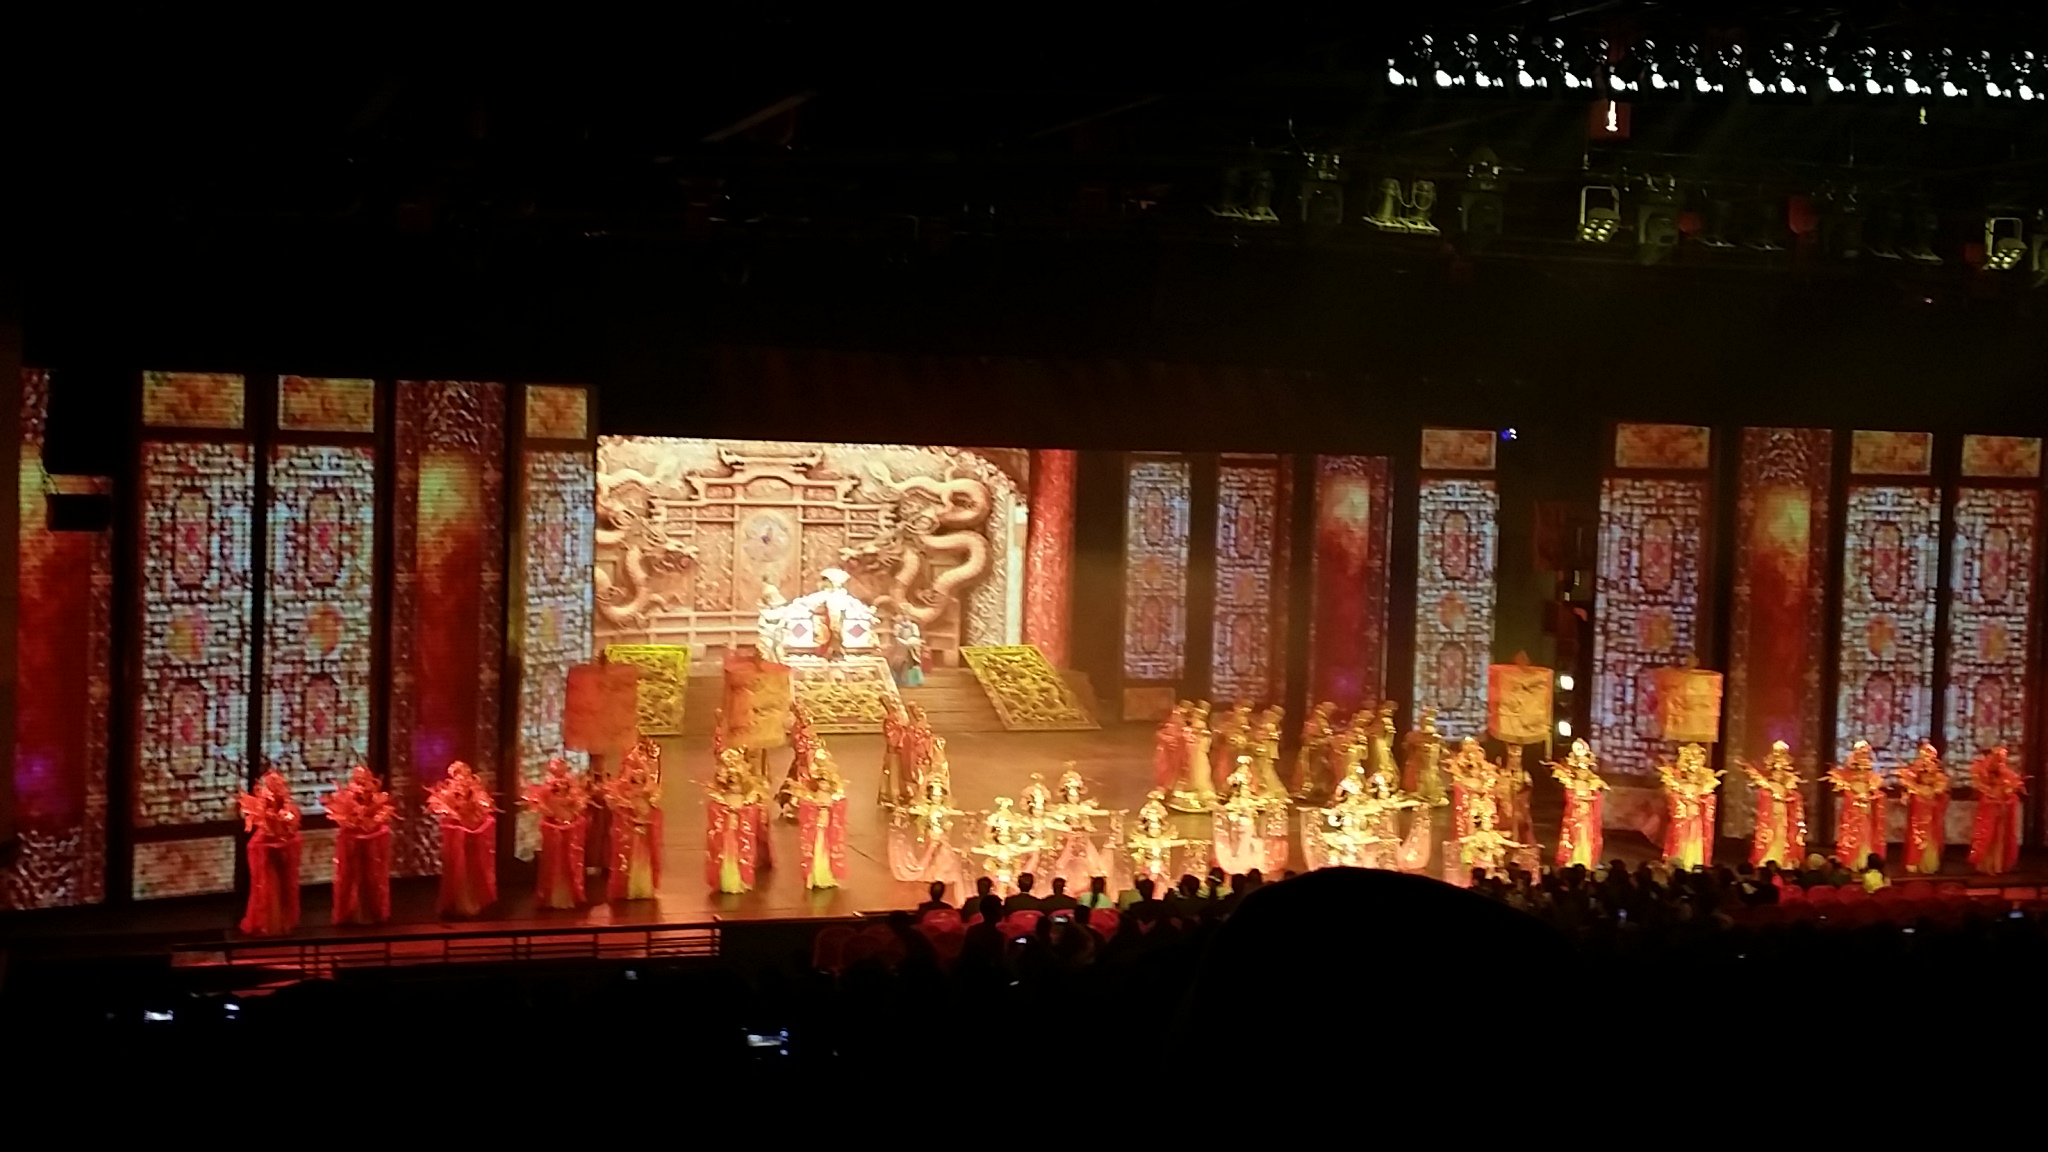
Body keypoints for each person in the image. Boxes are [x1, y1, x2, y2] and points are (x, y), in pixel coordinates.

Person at [1826, 740, 1889, 870]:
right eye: (1861, 752)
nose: (1863, 756)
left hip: (1867, 801)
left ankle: (1866, 858)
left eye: (1866, 753)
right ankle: (1852, 859)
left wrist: (1871, 792)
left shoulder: (1870, 772)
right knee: (1854, 830)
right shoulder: (1849, 769)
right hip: (1853, 804)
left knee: (1866, 828)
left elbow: (1875, 784)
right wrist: (1855, 795)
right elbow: (1845, 785)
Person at [1550, 739, 1607, 870]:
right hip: (1575, 816)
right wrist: (1581, 800)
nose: (1583, 773)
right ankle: (1572, 860)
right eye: (1580, 770)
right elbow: (1570, 797)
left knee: (1587, 838)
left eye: (1585, 770)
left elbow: (1596, 797)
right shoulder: (1571, 783)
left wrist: (1591, 799)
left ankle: (1587, 861)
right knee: (1574, 838)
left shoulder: (1592, 784)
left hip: (1587, 816)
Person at [1969, 746, 2026, 875]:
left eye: (2004, 758)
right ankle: (1987, 865)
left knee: (2000, 836)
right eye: (1999, 758)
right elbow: (1980, 786)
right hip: (1989, 808)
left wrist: (2009, 793)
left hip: (2002, 808)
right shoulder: (1985, 771)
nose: (2002, 761)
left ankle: (1998, 865)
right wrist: (1991, 794)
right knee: (1987, 836)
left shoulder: (2008, 773)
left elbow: (2012, 788)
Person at [1895, 740, 1949, 875]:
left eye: (1930, 753)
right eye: (1925, 753)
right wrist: (1908, 793)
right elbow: (1908, 782)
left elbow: (1941, 786)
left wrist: (1935, 790)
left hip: (1931, 804)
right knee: (1917, 832)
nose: (1927, 756)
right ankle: (1914, 861)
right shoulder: (1915, 768)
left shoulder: (1937, 771)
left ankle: (1929, 863)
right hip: (1919, 803)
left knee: (1932, 832)